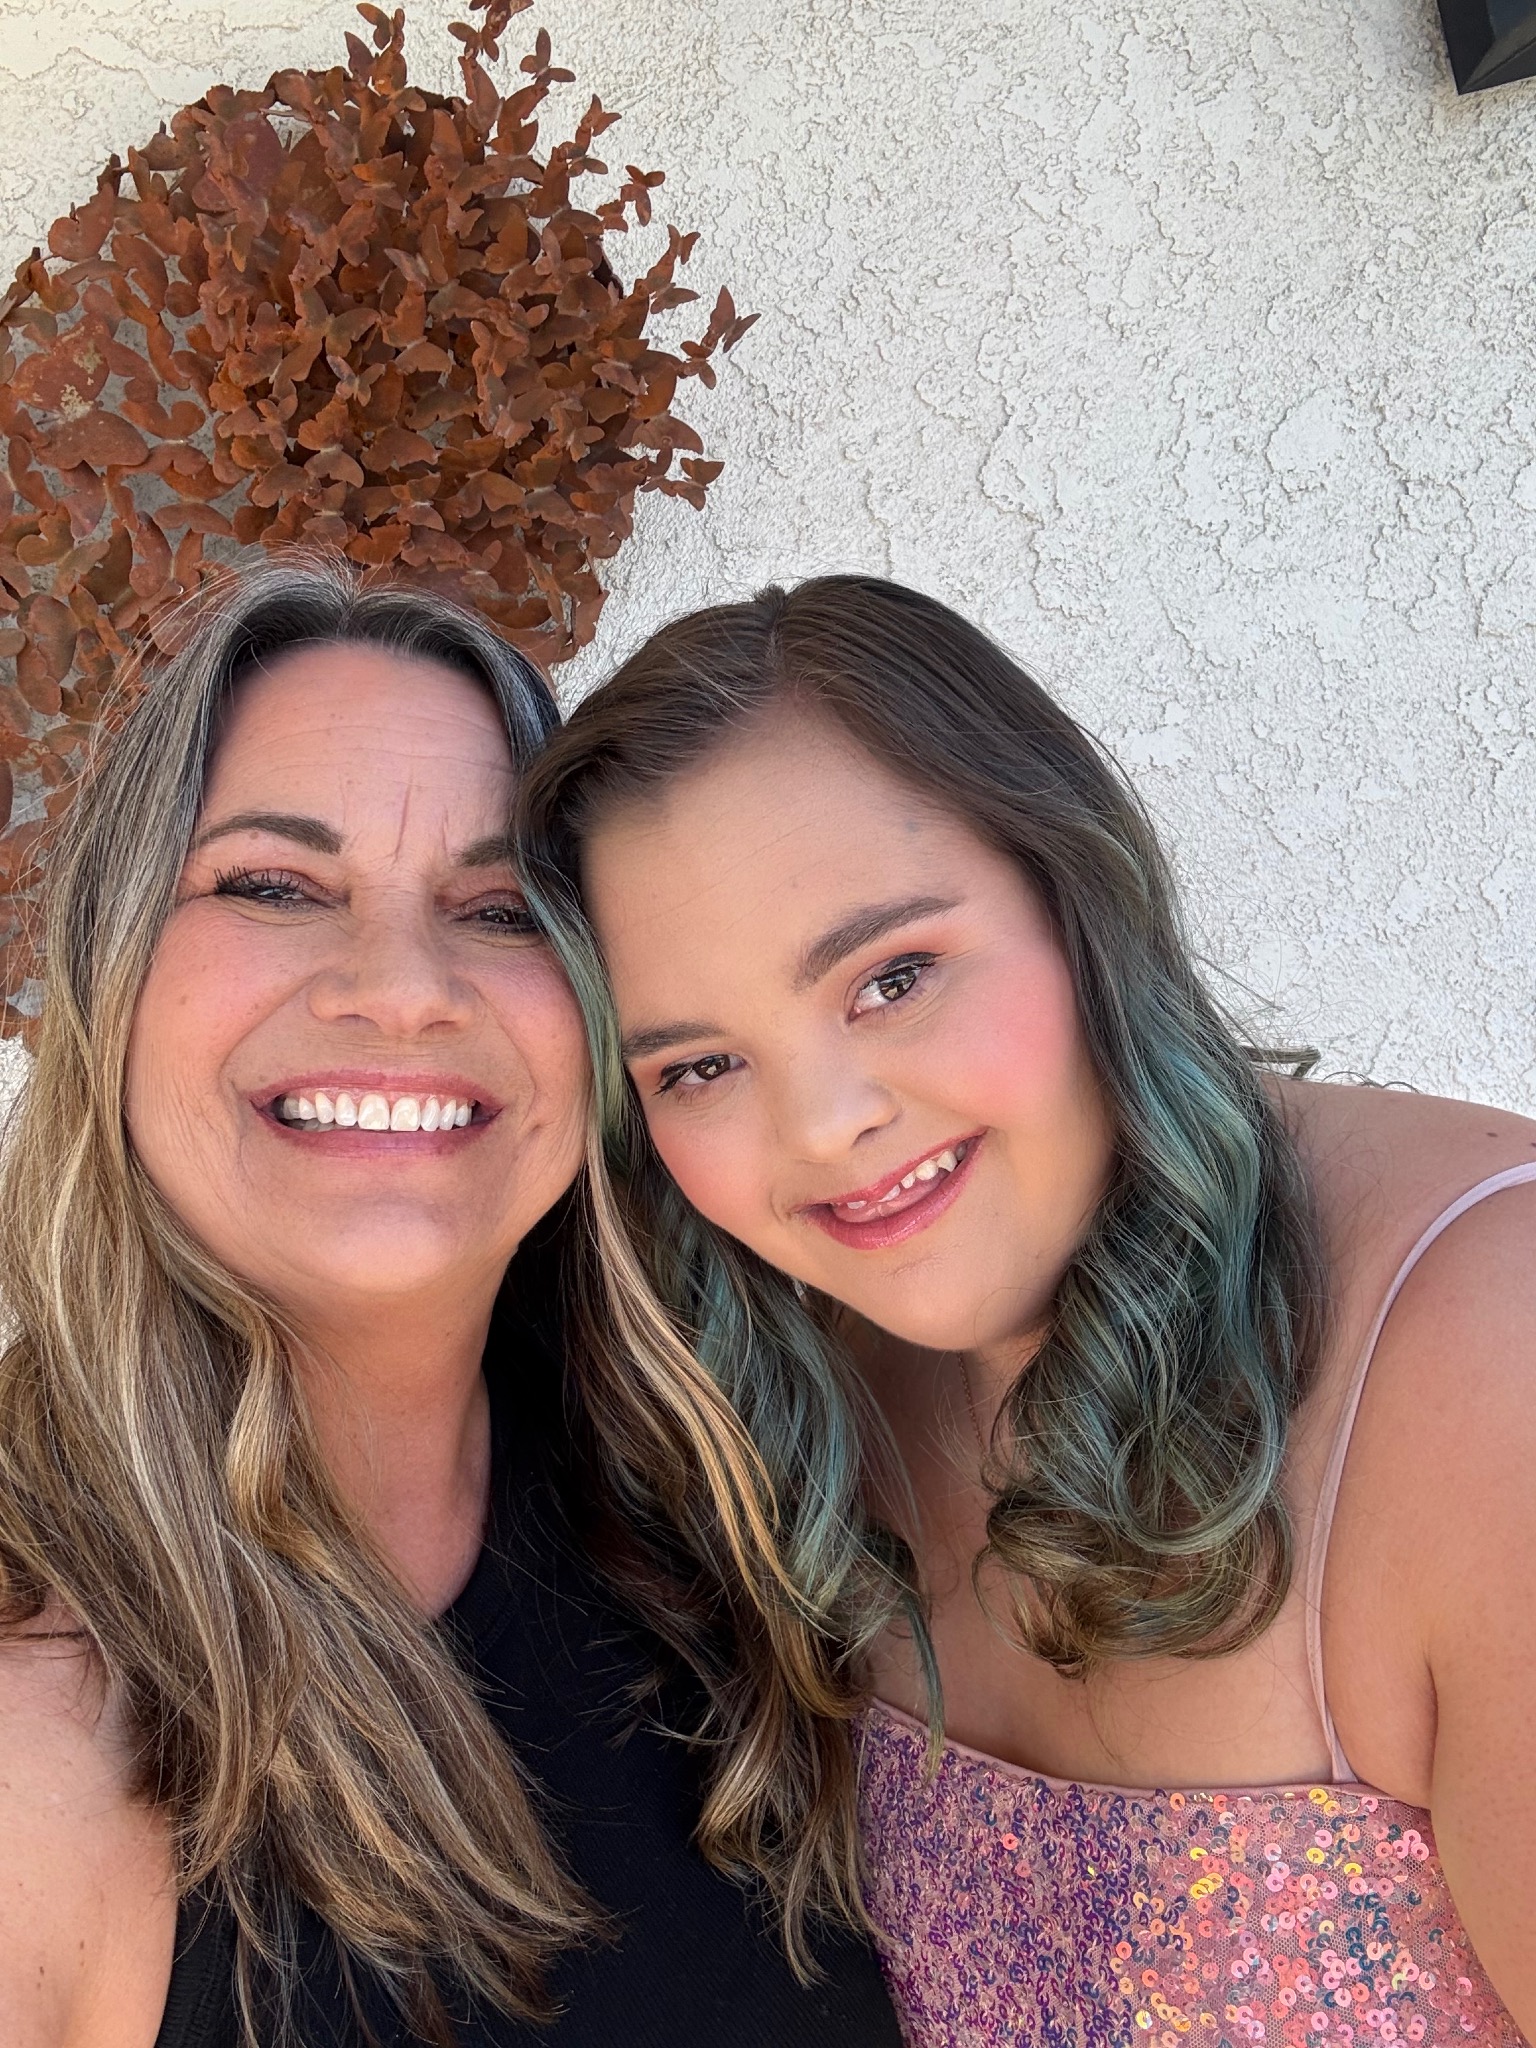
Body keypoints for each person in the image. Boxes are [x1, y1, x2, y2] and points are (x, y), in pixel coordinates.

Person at [516, 573, 1536, 2047]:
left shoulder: (1492, 1351)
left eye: (893, 977)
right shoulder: (824, 1363)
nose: (825, 1128)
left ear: (1076, 894)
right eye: (700, 1067)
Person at [0, 559, 903, 2048]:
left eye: (497, 908)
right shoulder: (41, 1732)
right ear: (111, 975)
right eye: (273, 886)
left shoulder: (738, 1508)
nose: (403, 985)